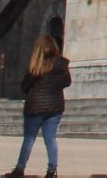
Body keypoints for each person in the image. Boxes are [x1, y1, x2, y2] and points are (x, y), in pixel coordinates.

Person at [7, 33, 70, 178]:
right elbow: (67, 82)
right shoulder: (62, 65)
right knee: (50, 139)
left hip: (35, 107)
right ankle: (52, 170)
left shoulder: (36, 66)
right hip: (55, 107)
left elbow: (24, 86)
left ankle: (20, 168)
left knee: (29, 138)